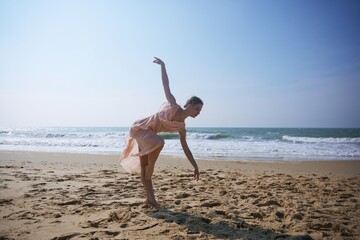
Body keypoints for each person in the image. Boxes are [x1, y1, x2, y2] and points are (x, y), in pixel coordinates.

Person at [119, 57, 203, 208]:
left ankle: (151, 199)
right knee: (159, 142)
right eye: (197, 108)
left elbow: (186, 148)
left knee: (144, 168)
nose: (198, 112)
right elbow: (166, 84)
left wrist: (195, 166)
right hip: (141, 128)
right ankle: (151, 167)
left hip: (148, 136)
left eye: (200, 110)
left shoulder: (182, 128)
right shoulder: (173, 105)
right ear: (189, 105)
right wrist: (163, 66)